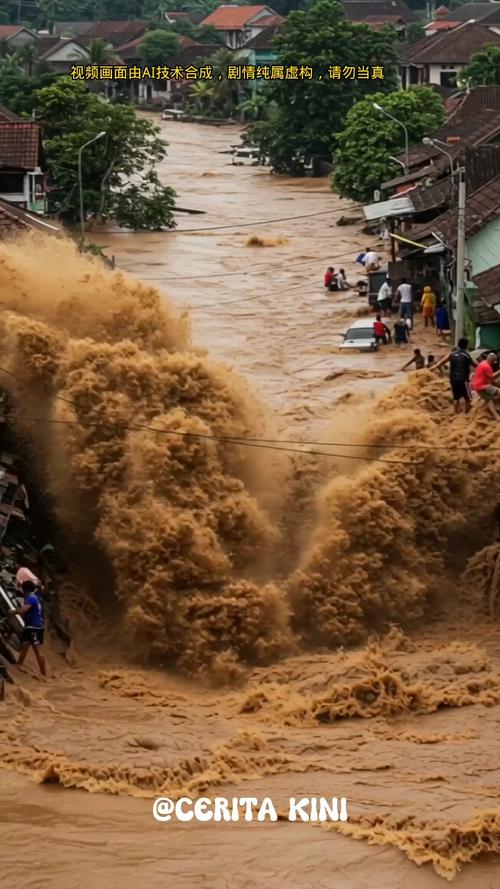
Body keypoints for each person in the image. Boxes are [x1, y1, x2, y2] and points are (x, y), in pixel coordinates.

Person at [9, 580, 47, 678]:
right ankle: (19, 665)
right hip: (33, 626)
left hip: (33, 627)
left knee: (37, 650)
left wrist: (13, 612)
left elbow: (23, 610)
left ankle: (44, 674)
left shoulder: (31, 598)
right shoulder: (34, 598)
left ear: (25, 589)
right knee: (25, 646)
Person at [432, 337, 474, 414]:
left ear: (458, 345)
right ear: (466, 346)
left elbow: (441, 362)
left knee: (456, 398)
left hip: (453, 379)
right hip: (464, 380)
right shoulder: (466, 355)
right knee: (468, 398)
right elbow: (475, 365)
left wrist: (432, 368)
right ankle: (466, 414)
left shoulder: (452, 354)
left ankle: (456, 414)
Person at [471, 352, 500, 418]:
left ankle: (496, 413)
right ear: (493, 361)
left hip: (478, 385)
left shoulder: (483, 362)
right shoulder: (487, 367)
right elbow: (492, 380)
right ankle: (495, 414)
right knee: (493, 396)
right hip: (482, 386)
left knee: (491, 397)